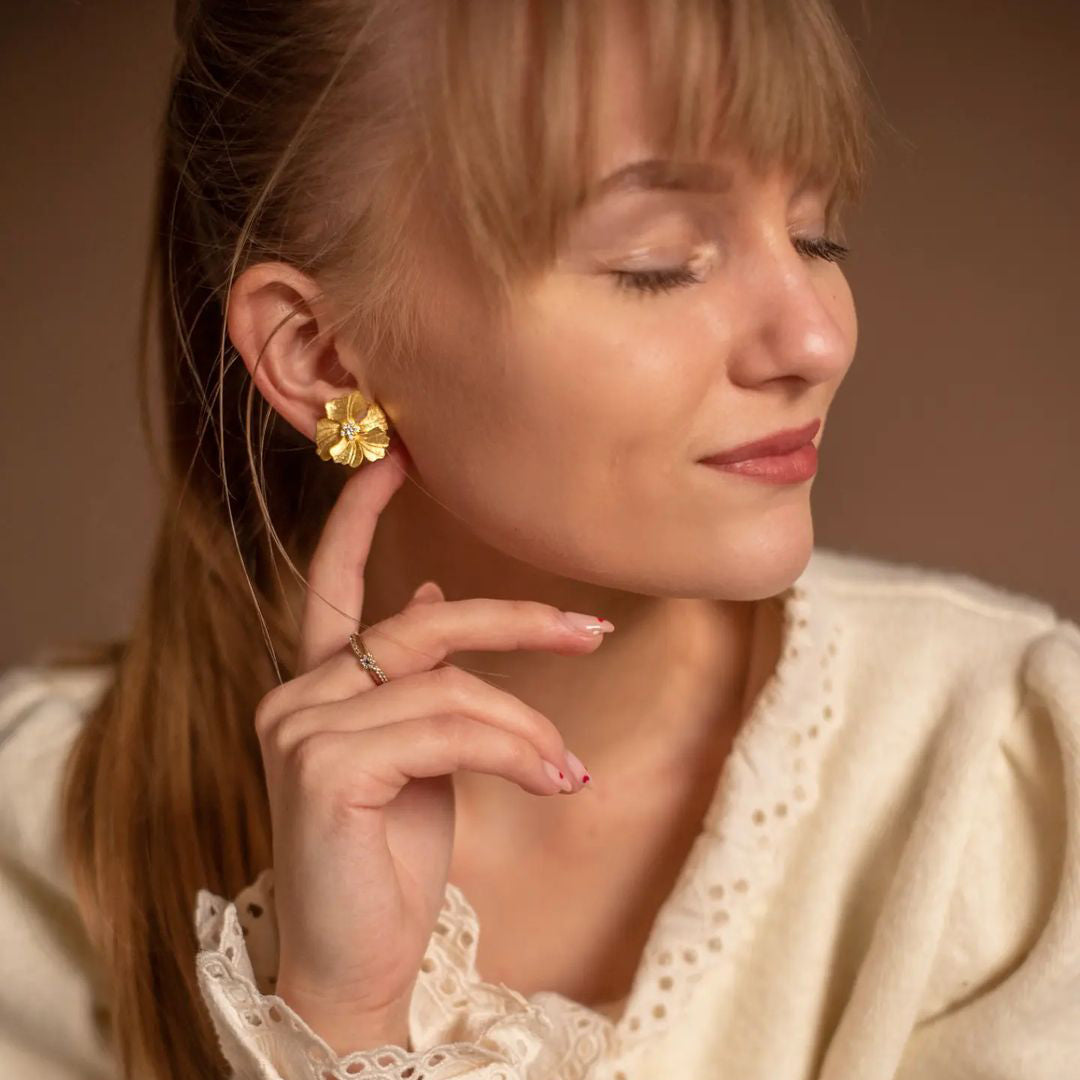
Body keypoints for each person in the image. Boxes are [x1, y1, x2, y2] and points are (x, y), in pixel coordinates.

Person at [2, 0, 1078, 1078]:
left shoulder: (1008, 786)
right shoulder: (47, 842)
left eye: (816, 234)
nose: (816, 337)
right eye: (660, 262)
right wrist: (340, 1015)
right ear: (322, 354)